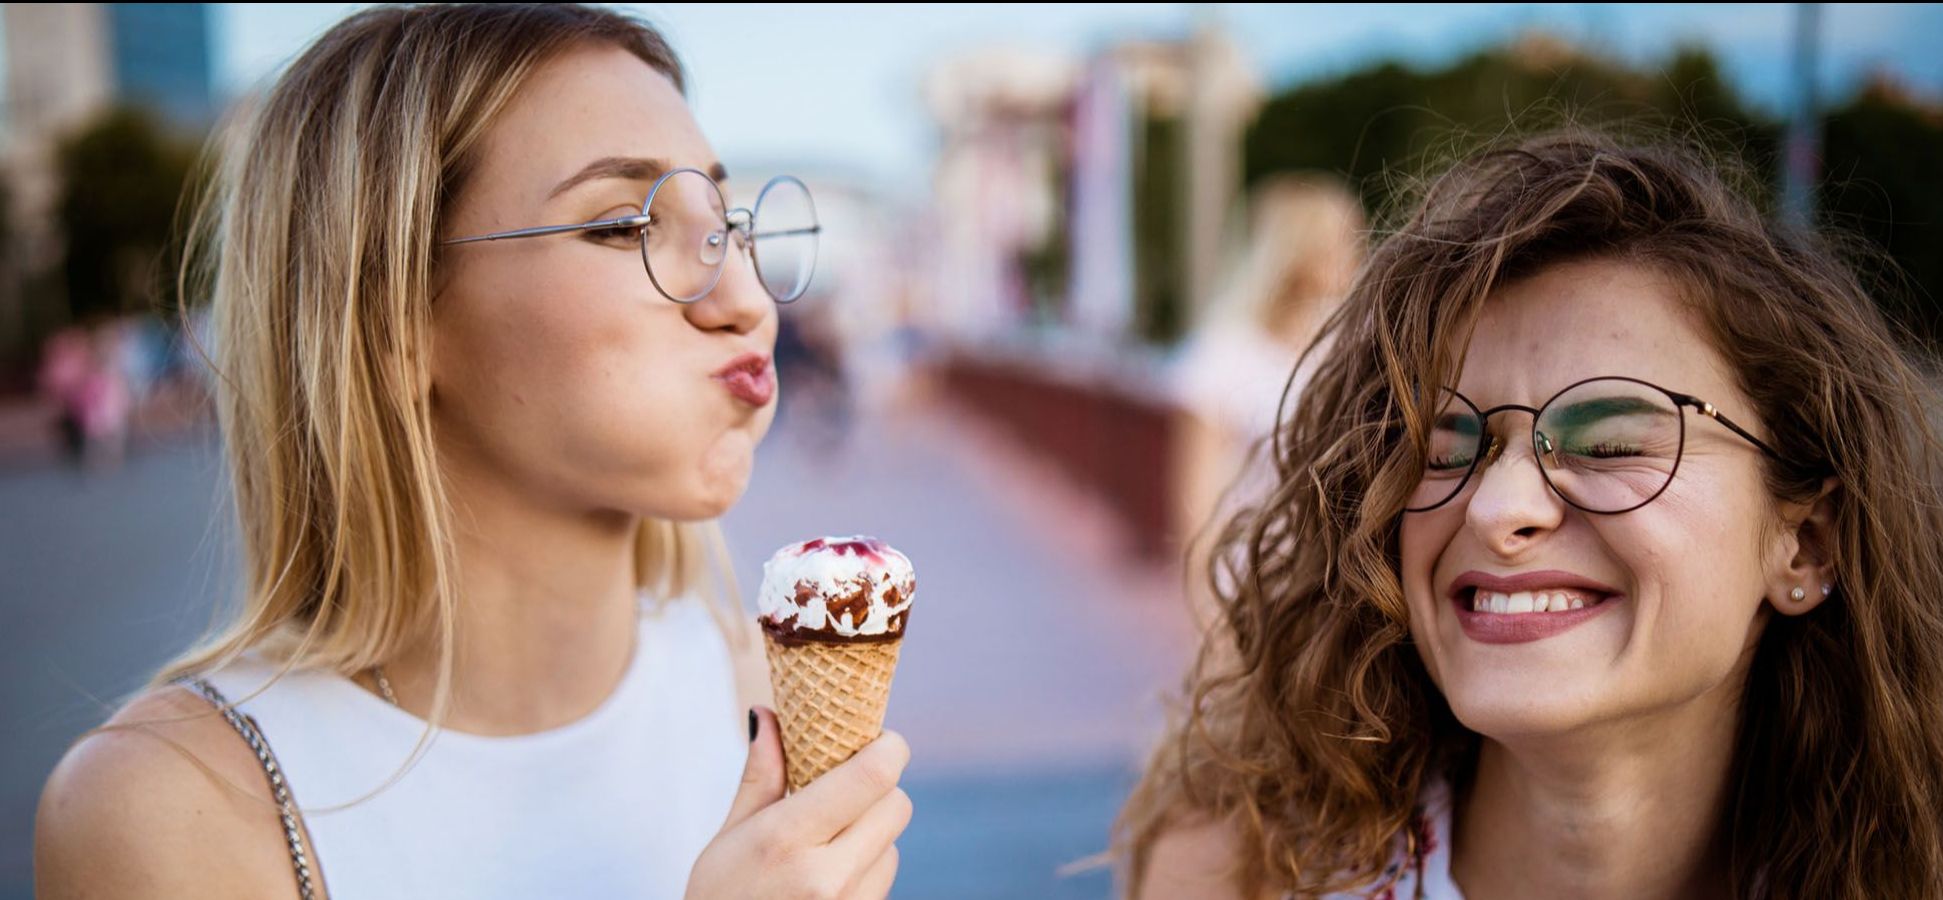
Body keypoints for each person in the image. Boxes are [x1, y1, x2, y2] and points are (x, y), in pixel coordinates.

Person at [35, 6, 909, 899]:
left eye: (728, 222)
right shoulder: (165, 812)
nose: (747, 297)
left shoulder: (750, 688)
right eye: (623, 225)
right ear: (391, 322)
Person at [1119, 130, 1943, 898]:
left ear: (1804, 543)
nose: (1495, 507)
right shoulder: (1236, 874)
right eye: (1443, 449)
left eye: (1611, 444)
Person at [1170, 173, 1364, 630]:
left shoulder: (1350, 350)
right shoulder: (1223, 355)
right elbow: (1195, 503)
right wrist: (1211, 614)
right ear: (1299, 252)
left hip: (1335, 596)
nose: (1358, 252)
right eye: (1342, 240)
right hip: (1249, 593)